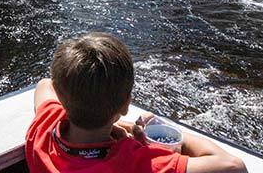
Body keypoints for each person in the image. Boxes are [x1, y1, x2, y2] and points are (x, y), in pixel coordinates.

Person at [26, 32, 248, 173]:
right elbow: (233, 167)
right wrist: (153, 141)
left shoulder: (44, 126)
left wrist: (114, 127)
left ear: (63, 99)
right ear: (125, 105)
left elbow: (45, 84)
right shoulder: (137, 162)